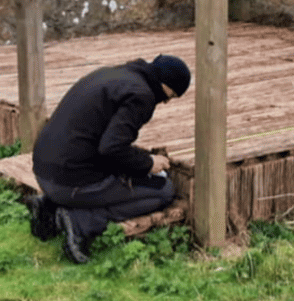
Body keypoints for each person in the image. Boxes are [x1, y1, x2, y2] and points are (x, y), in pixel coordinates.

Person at [28, 54, 191, 264]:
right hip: (69, 183)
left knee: (125, 171)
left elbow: (104, 142)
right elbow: (112, 148)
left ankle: (49, 207)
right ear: (165, 84)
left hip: (43, 171)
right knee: (163, 191)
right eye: (171, 95)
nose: (167, 102)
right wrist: (149, 163)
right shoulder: (142, 96)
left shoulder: (112, 75)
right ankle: (80, 222)